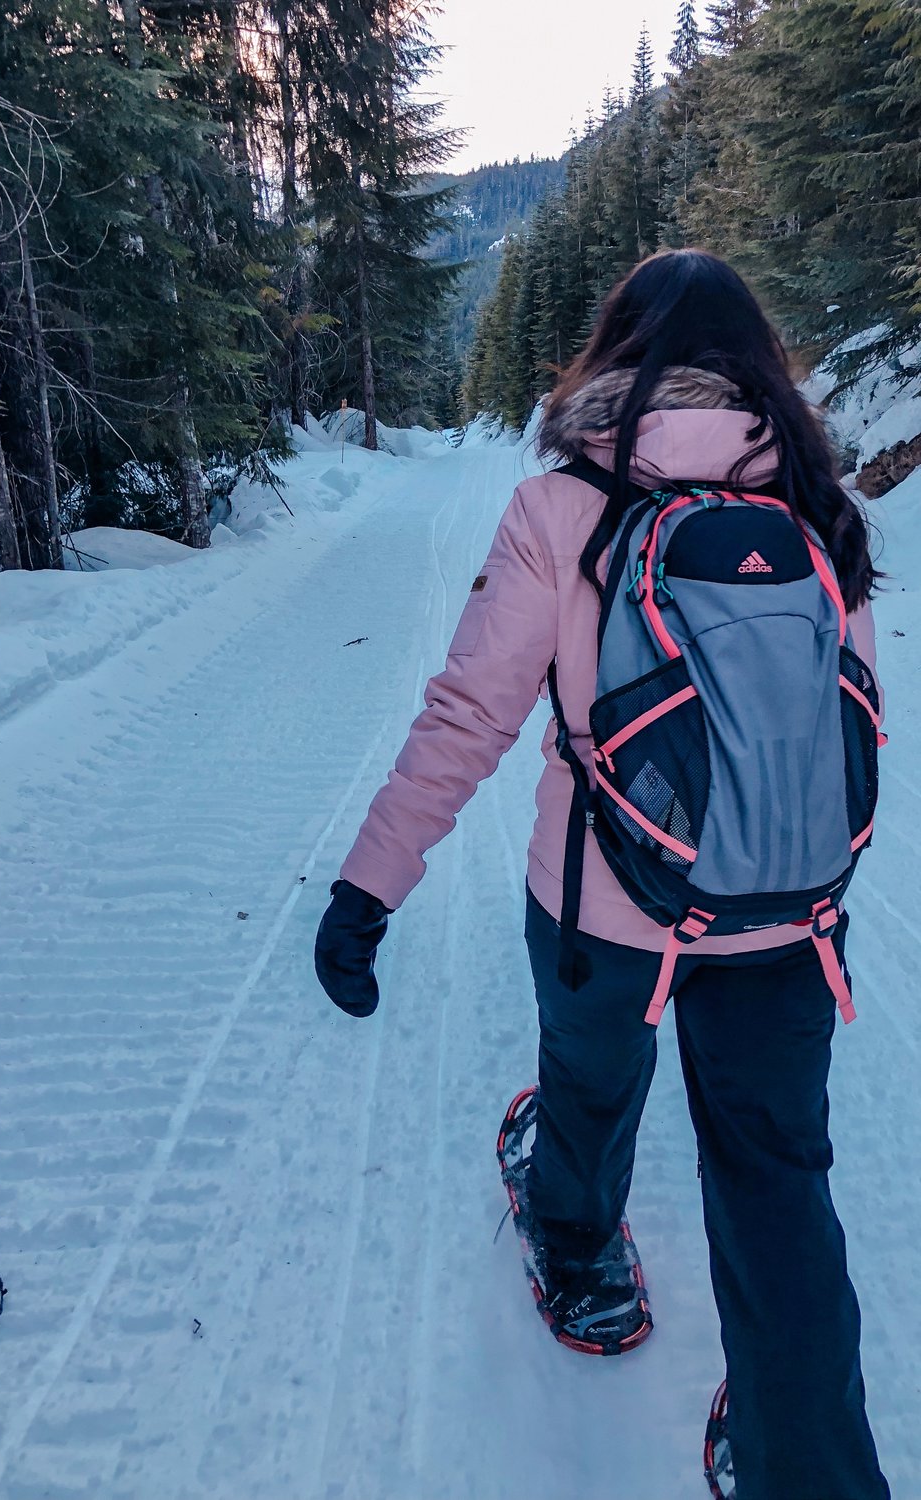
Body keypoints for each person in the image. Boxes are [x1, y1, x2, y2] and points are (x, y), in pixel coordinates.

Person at [314, 249, 890, 1500]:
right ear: (759, 364)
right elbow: (832, 718)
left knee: (586, 1086)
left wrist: (370, 888)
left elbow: (472, 712)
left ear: (615, 350)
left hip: (606, 906)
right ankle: (806, 1465)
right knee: (778, 1175)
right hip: (785, 916)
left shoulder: (562, 506)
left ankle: (581, 1262)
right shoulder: (811, 506)